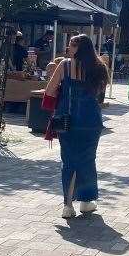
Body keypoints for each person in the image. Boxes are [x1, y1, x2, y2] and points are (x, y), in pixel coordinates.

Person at [44, 33, 108, 219]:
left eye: (72, 45)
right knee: (88, 159)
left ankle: (67, 205)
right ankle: (87, 201)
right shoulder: (99, 67)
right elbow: (100, 94)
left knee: (69, 161)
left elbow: (50, 90)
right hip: (90, 120)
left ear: (79, 48)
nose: (68, 48)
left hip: (68, 119)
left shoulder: (65, 65)